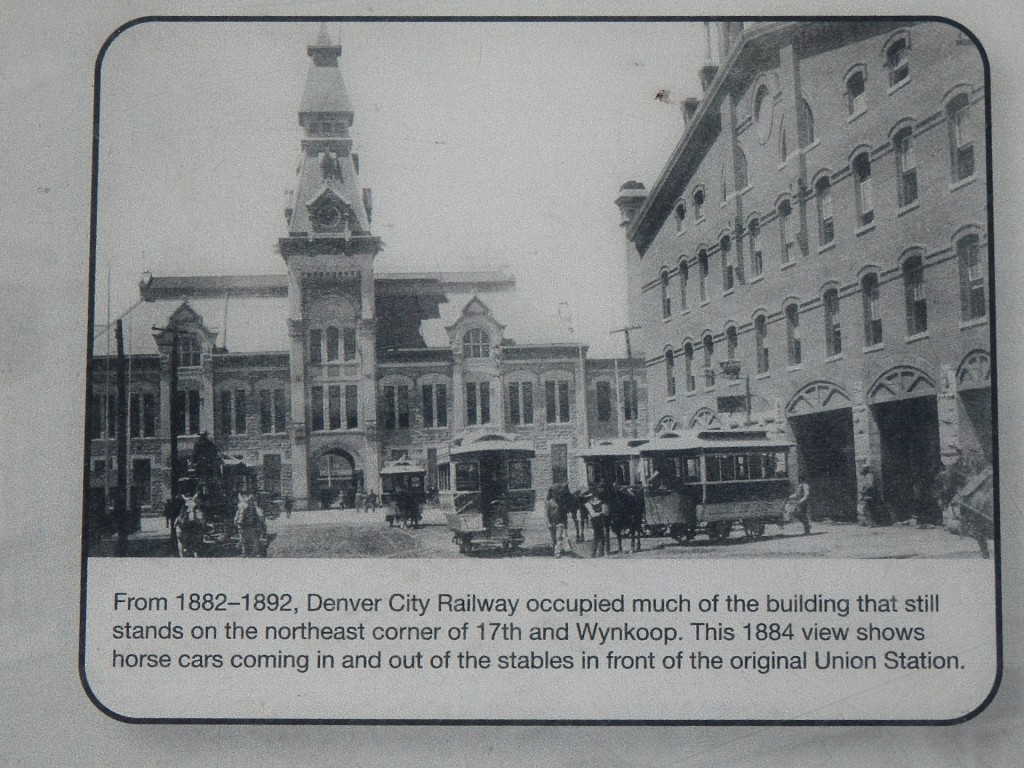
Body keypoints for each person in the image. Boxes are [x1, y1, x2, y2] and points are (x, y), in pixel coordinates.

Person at [235, 492, 267, 557]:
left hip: (252, 526)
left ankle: (257, 552)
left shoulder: (255, 509)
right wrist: (237, 521)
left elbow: (259, 519)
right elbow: (237, 517)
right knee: (243, 540)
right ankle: (244, 552)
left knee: (255, 540)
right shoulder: (241, 507)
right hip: (243, 526)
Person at [545, 486, 569, 557]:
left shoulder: (561, 502)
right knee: (554, 537)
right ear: (552, 493)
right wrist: (548, 522)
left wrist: (565, 522)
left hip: (559, 521)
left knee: (559, 536)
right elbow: (546, 513)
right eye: (554, 493)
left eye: (557, 493)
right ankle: (556, 548)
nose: (556, 495)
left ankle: (557, 552)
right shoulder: (549, 503)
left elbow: (564, 512)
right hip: (552, 522)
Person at [587, 491, 609, 557]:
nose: (597, 498)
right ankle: (594, 552)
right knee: (596, 536)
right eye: (595, 497)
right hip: (593, 521)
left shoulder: (601, 503)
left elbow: (606, 513)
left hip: (600, 521)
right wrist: (601, 513)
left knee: (601, 536)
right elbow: (592, 514)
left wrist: (603, 512)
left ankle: (599, 552)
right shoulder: (589, 504)